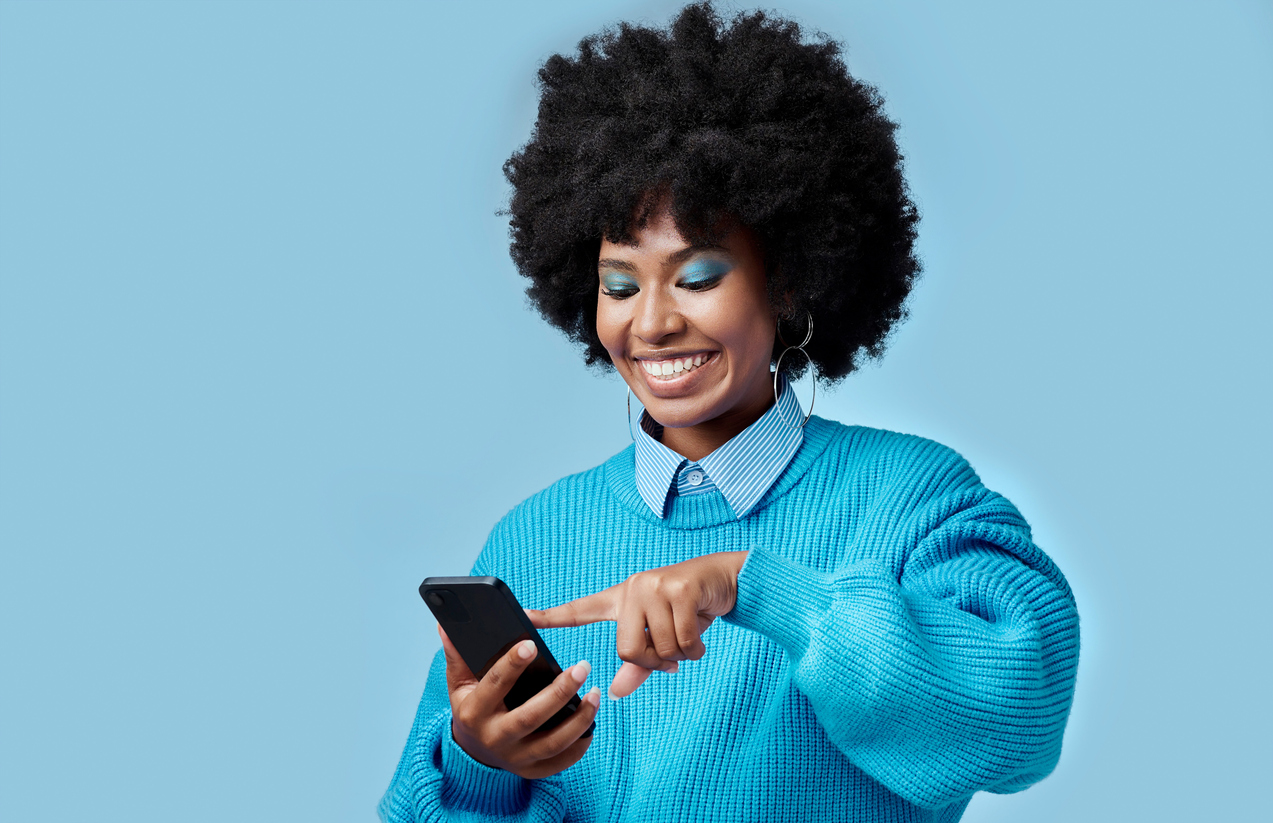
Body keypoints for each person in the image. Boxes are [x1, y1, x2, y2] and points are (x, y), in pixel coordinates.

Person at [379, 4, 1080, 821]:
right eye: (618, 284)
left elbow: (1019, 723)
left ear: (787, 281)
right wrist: (481, 765)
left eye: (698, 276)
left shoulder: (913, 498)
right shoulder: (531, 538)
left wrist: (756, 587)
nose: (650, 323)